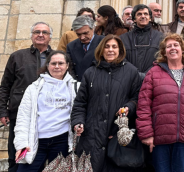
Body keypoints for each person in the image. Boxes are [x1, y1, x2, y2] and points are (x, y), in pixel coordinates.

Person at [137, 34, 184, 172]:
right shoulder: (153, 73)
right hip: (160, 137)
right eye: (168, 46)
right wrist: (146, 133)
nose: (172, 48)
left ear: (182, 49)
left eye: (176, 45)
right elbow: (143, 105)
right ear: (164, 52)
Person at [71, 35, 143, 172]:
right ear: (101, 49)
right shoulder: (90, 72)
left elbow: (138, 98)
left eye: (114, 47)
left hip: (117, 134)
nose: (110, 50)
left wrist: (129, 107)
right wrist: (78, 121)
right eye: (107, 46)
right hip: (92, 135)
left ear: (120, 50)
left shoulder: (131, 71)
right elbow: (80, 103)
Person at [0, 22, 54, 172]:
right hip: (20, 115)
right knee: (16, 156)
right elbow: (5, 86)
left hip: (47, 116)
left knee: (41, 158)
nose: (40, 35)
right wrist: (2, 111)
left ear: (50, 37)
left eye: (44, 32)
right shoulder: (17, 56)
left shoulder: (57, 58)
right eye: (37, 32)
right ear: (31, 36)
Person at [14, 51, 78, 172]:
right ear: (48, 65)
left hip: (62, 140)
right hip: (36, 141)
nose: (57, 66)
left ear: (67, 65)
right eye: (53, 63)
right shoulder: (34, 88)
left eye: (61, 63)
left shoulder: (76, 88)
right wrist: (21, 144)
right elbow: (23, 118)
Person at [120, 4, 164, 75]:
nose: (143, 16)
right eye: (139, 14)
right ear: (134, 19)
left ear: (150, 18)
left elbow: (162, 59)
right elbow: (121, 58)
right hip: (129, 78)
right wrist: (135, 73)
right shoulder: (123, 38)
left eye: (146, 14)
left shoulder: (161, 37)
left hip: (153, 78)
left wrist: (147, 74)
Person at [66, 15, 103, 80]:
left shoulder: (104, 42)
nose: (82, 37)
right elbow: (70, 68)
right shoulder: (71, 46)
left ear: (93, 29)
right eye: (78, 34)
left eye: (85, 33)